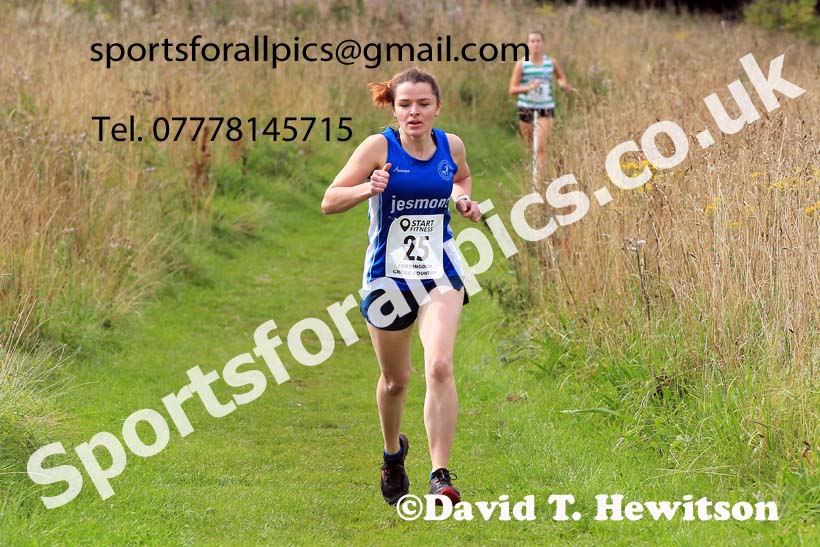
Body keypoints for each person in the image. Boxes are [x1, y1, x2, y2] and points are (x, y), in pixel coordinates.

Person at [321, 67, 481, 506]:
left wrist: (462, 199)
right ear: (393, 108)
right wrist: (366, 190)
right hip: (387, 279)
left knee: (440, 366)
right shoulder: (378, 147)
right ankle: (393, 454)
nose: (414, 112)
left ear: (437, 107)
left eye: (423, 104)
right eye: (405, 104)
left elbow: (460, 178)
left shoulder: (451, 146)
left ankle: (440, 475)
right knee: (396, 381)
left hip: (440, 273)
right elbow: (329, 200)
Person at [508, 30, 573, 179]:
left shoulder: (551, 63)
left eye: (538, 41)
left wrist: (563, 84)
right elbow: (512, 89)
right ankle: (532, 175)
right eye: (532, 41)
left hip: (546, 107)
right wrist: (529, 87)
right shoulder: (522, 64)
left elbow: (561, 76)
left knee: (541, 147)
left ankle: (539, 182)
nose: (535, 44)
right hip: (526, 107)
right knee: (531, 146)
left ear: (543, 44)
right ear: (528, 44)